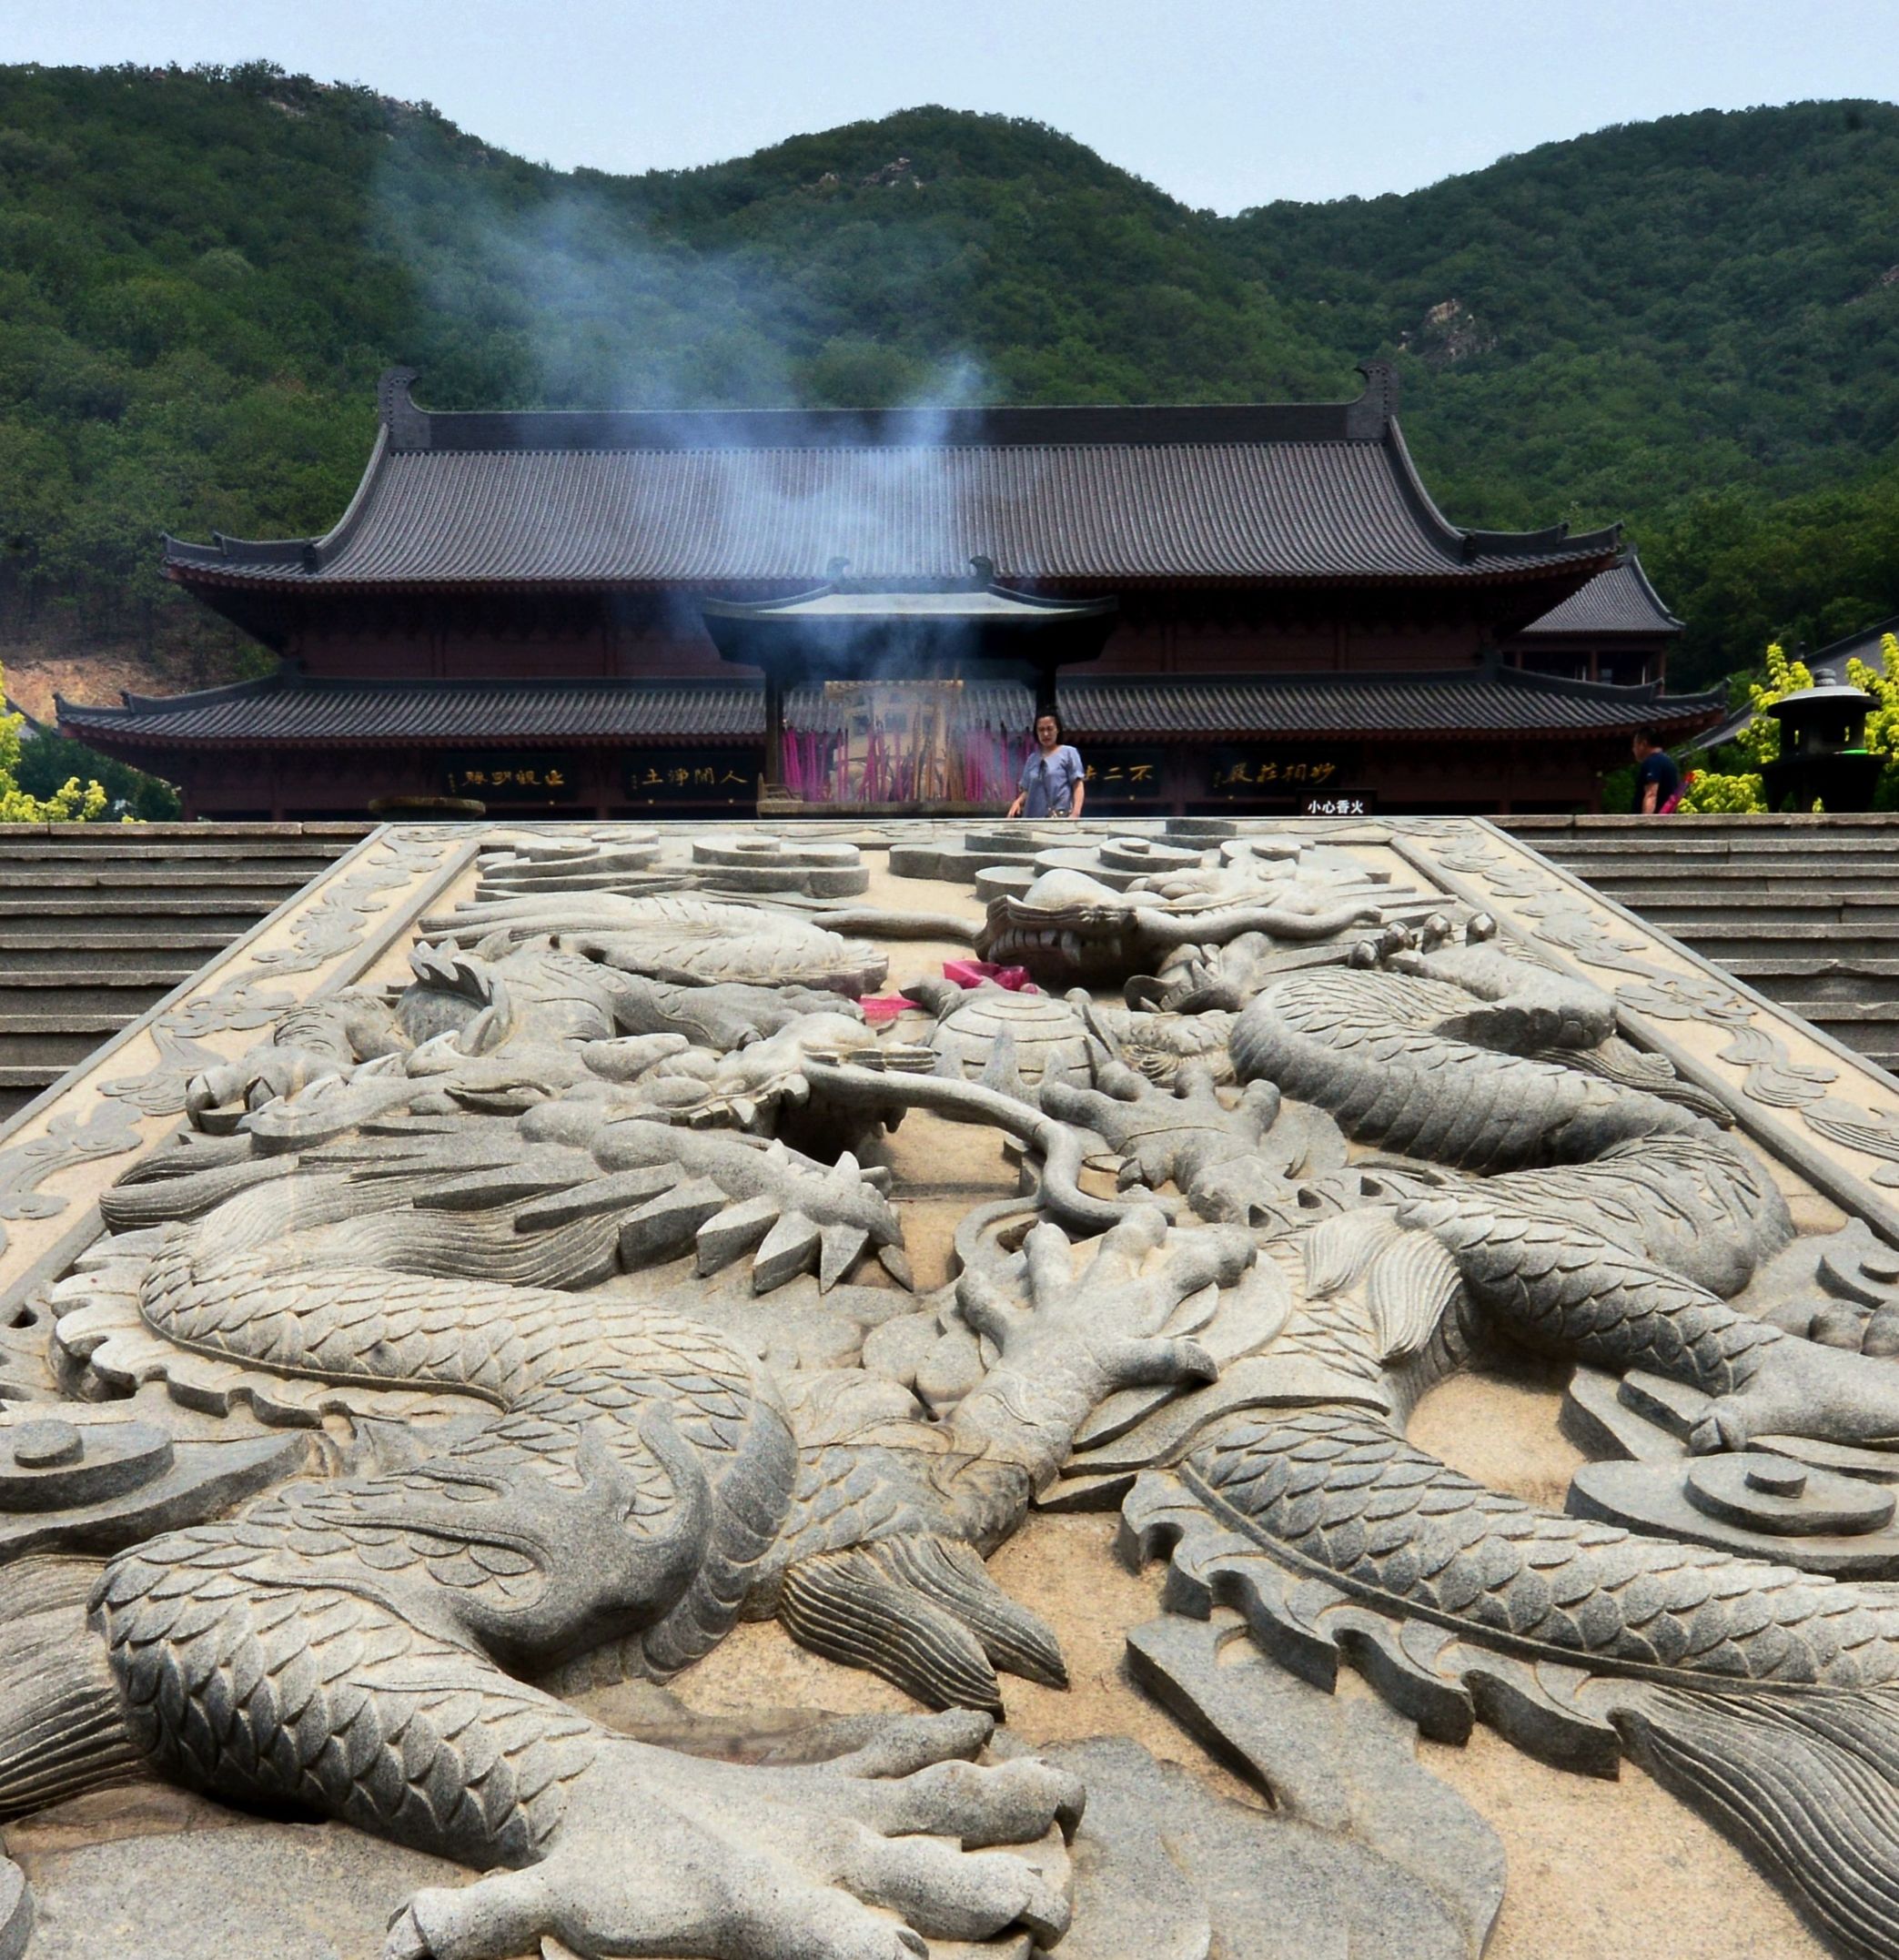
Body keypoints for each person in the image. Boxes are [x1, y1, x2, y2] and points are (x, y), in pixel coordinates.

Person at [1007, 711, 1086, 819]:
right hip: (1033, 818)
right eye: (1041, 730)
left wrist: (1075, 814)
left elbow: (1077, 784)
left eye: (1050, 729)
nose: (1045, 734)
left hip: (1059, 817)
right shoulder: (1032, 759)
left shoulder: (1068, 753)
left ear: (1057, 730)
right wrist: (1018, 802)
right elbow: (1027, 790)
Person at [1631, 728, 1682, 815]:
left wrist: (1645, 821)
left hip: (1657, 818)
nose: (1633, 750)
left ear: (1643, 744)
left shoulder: (1652, 762)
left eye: (1635, 745)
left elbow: (1651, 793)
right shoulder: (1669, 762)